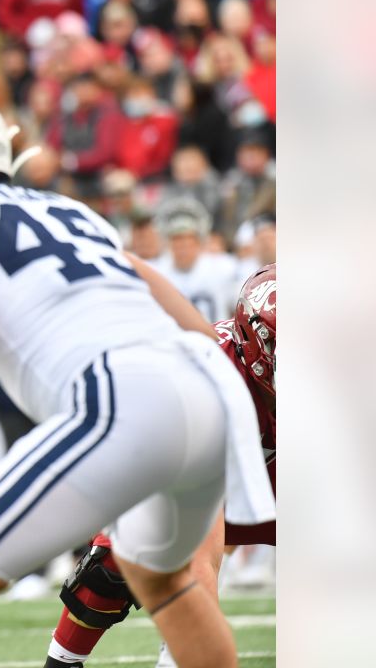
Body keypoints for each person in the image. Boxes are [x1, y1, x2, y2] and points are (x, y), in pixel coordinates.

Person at [0, 83, 273, 668]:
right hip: (204, 381)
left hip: (121, 393)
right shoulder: (64, 209)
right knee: (166, 580)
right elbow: (165, 296)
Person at [43, 264, 277, 668]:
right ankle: (61, 662)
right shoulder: (206, 381)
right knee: (113, 564)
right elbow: (199, 560)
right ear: (255, 341)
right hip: (195, 458)